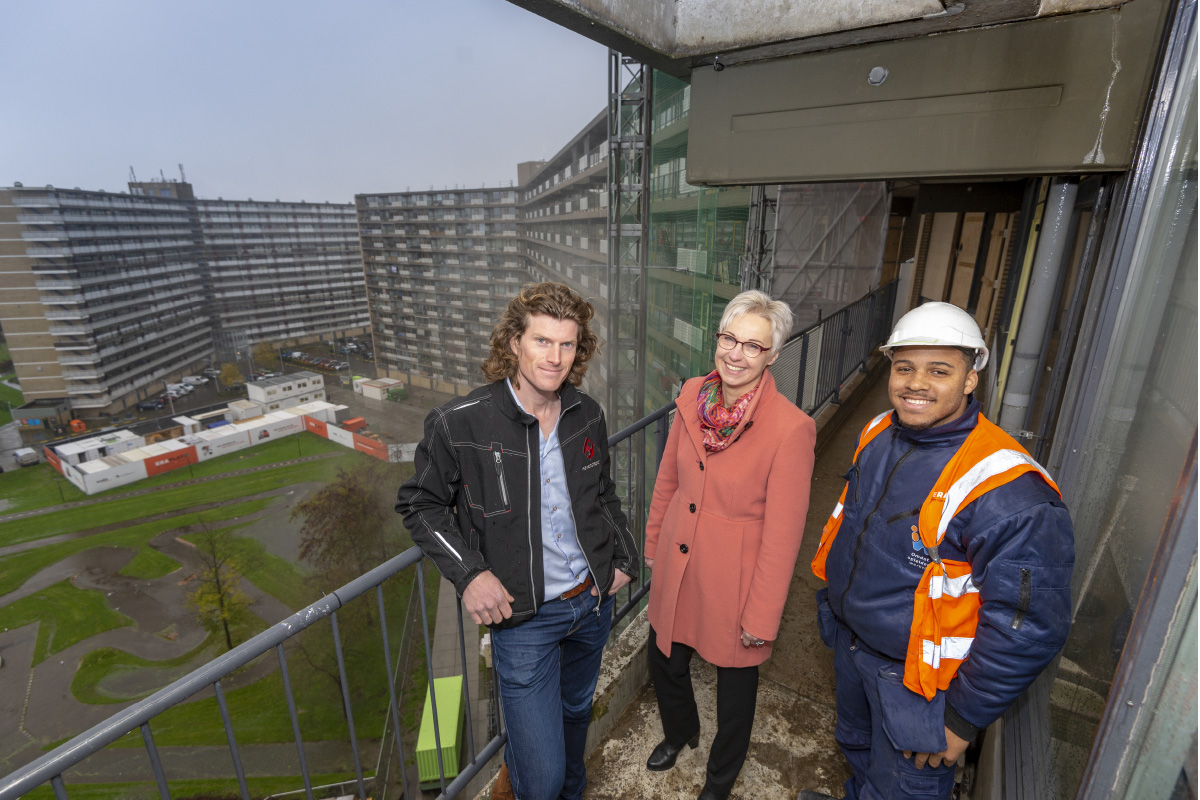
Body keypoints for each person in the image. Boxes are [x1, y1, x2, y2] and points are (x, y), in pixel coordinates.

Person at [801, 302, 1075, 800]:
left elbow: (1030, 623)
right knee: (857, 748)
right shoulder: (879, 431)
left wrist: (961, 718)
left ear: (971, 380)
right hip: (853, 646)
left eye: (939, 370)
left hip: (918, 686)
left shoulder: (1008, 491)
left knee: (902, 787)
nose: (915, 383)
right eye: (904, 367)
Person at [396, 282, 638, 800]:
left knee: (576, 716)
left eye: (567, 344)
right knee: (543, 776)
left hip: (590, 605)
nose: (555, 357)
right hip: (524, 620)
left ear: (580, 349)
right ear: (513, 343)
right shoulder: (460, 423)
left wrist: (623, 559)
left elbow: (604, 495)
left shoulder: (586, 414)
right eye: (542, 341)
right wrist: (470, 574)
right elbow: (420, 504)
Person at [643, 290, 816, 800]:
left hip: (735, 580)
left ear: (773, 355)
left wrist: (761, 617)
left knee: (735, 697)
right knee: (663, 658)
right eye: (728, 338)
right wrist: (654, 544)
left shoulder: (791, 430)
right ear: (717, 338)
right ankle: (681, 732)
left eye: (753, 346)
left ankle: (718, 783)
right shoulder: (693, 393)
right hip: (680, 560)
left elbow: (783, 538)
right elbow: (668, 481)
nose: (735, 354)